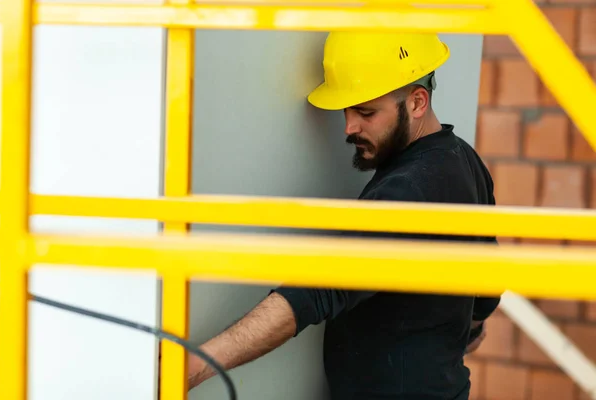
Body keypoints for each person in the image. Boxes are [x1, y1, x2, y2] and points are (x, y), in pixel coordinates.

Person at [186, 31, 501, 400]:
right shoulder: (462, 159)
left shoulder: (411, 190)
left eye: (366, 112)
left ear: (417, 102)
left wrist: (193, 366)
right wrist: (454, 334)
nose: (349, 127)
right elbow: (487, 286)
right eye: (346, 111)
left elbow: (317, 292)